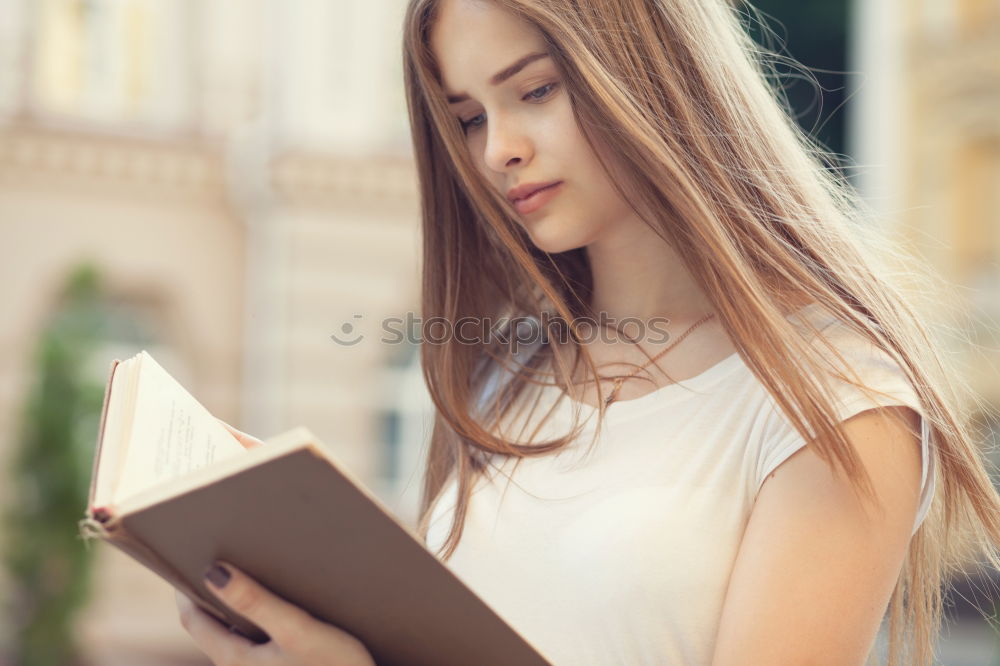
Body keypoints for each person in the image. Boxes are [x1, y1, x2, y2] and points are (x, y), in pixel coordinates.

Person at [175, 1, 1000, 664]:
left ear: (652, 71)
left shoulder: (836, 404)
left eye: (534, 91)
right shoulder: (506, 375)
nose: (498, 150)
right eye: (467, 118)